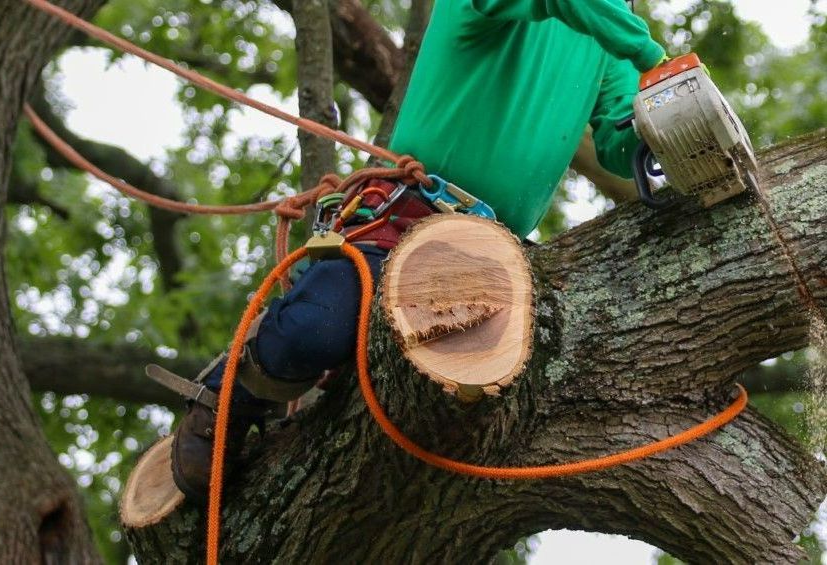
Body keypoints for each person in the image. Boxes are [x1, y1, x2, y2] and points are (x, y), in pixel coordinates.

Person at [156, 0, 666, 501]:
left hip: (495, 252)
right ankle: (227, 397)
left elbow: (620, 142)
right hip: (405, 217)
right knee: (316, 331)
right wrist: (654, 58)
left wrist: (665, 121)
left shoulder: (610, 38)